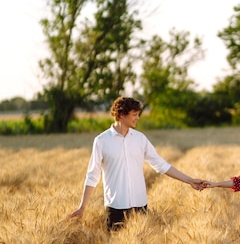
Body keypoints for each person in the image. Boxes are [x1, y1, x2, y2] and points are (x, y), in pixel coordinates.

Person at [68, 96, 206, 231]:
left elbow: (161, 165)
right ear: (122, 114)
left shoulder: (140, 139)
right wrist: (82, 207)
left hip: (140, 206)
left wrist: (190, 181)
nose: (138, 118)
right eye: (134, 114)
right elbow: (92, 176)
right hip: (115, 207)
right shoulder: (101, 141)